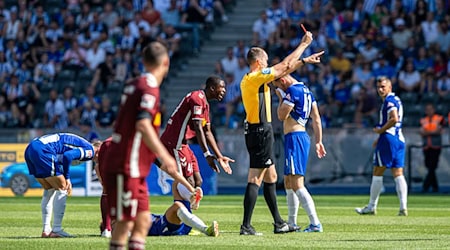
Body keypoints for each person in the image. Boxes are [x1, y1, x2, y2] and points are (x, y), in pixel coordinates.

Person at [103, 41, 201, 250]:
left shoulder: (134, 84)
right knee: (125, 224)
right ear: (166, 62)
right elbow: (142, 123)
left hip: (134, 164)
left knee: (142, 221)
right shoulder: (149, 87)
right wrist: (164, 156)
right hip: (125, 165)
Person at [239, 29, 324, 235]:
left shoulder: (253, 79)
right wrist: (304, 44)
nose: (269, 64)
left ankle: (279, 223)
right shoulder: (256, 77)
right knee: (255, 179)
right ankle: (246, 226)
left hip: (260, 130)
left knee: (272, 176)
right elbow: (284, 67)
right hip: (260, 131)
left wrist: (304, 61)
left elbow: (285, 71)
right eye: (266, 60)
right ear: (259, 62)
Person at [273, 74, 326, 233]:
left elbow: (281, 116)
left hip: (295, 138)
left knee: (297, 183)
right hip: (298, 137)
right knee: (288, 181)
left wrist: (281, 96)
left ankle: (315, 223)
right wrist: (319, 141)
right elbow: (316, 118)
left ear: (282, 80)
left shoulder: (292, 91)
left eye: (277, 85)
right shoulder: (307, 91)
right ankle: (292, 223)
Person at [160, 75, 234, 190]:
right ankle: (180, 207)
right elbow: (198, 128)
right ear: (212, 88)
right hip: (175, 143)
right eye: (222, 87)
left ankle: (181, 206)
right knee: (186, 182)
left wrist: (219, 156)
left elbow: (207, 132)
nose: (224, 91)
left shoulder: (205, 104)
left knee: (197, 181)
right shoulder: (197, 98)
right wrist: (207, 154)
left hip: (183, 144)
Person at [24, 133, 101, 238]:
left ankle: (46, 230)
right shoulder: (91, 151)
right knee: (63, 187)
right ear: (99, 149)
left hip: (31, 148)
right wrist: (67, 178)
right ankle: (57, 229)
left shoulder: (83, 145)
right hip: (43, 149)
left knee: (49, 188)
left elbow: (62, 155)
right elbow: (68, 156)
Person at [355, 76, 408, 216]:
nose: (380, 89)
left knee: (377, 171)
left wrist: (380, 131)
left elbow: (394, 118)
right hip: (399, 139)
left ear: (390, 87)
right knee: (398, 173)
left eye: (383, 86)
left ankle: (371, 206)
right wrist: (379, 138)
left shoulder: (389, 101)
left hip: (389, 138)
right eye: (378, 87)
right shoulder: (396, 99)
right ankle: (403, 207)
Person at [147, 181, 218, 237]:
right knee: (177, 205)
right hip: (162, 227)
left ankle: (192, 198)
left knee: (176, 183)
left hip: (164, 220)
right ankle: (206, 229)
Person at [419, 103, 444, 193]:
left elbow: (439, 130)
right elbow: (421, 131)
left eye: (430, 109)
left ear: (434, 110)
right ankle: (435, 187)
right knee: (428, 165)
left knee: (432, 166)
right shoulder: (423, 120)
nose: (429, 111)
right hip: (426, 146)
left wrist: (428, 132)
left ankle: (426, 186)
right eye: (427, 109)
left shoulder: (439, 119)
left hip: (435, 145)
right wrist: (431, 132)